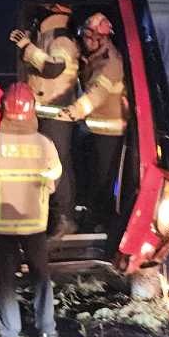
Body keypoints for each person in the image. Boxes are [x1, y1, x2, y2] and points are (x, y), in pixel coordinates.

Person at [0, 82, 64, 337]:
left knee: (7, 281)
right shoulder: (45, 144)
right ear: (33, 111)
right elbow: (54, 179)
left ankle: (9, 336)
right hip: (34, 224)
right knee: (40, 276)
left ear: (3, 110)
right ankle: (47, 331)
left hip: (2, 226)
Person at [8, 4, 81, 234]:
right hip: (49, 114)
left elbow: (53, 67)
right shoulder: (49, 37)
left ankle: (64, 219)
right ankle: (58, 217)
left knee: (57, 167)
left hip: (56, 115)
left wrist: (27, 47)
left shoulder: (62, 39)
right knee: (55, 165)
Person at [53, 11, 128, 229]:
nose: (89, 41)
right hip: (94, 129)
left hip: (110, 133)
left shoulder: (110, 62)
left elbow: (97, 93)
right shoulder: (92, 56)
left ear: (104, 38)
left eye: (95, 37)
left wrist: (73, 112)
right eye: (86, 36)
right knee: (90, 174)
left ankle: (101, 222)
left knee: (104, 180)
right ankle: (89, 215)